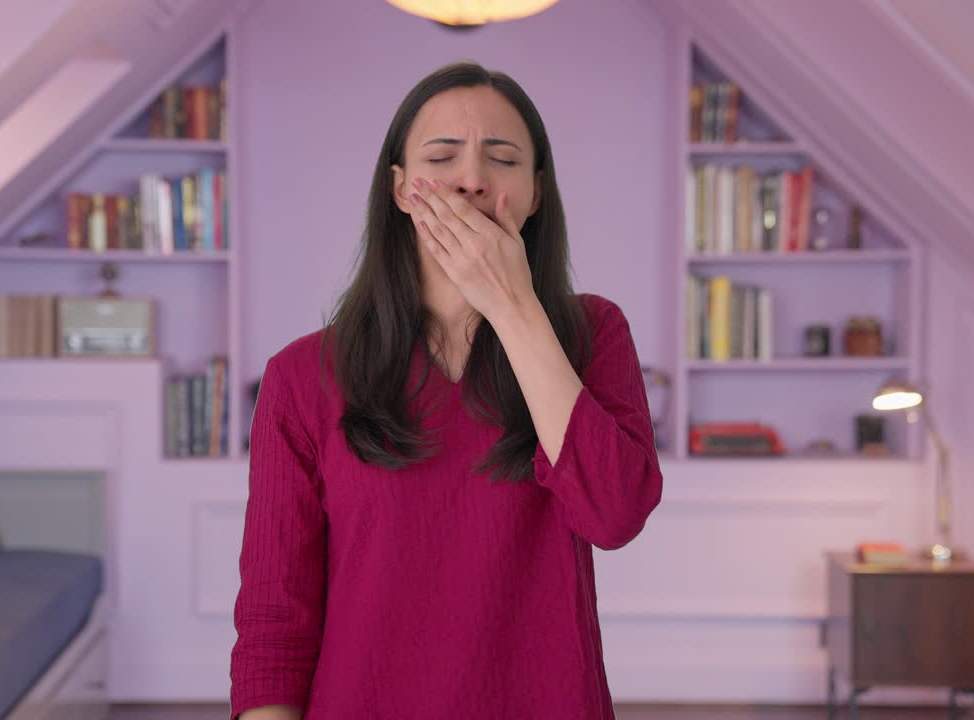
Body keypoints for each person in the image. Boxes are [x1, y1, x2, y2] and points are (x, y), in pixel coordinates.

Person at [228, 60, 663, 720]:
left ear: (536, 191)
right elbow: (273, 622)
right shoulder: (300, 377)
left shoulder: (592, 333)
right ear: (401, 188)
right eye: (443, 155)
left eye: (502, 157)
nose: (471, 179)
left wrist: (514, 308)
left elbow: (616, 512)